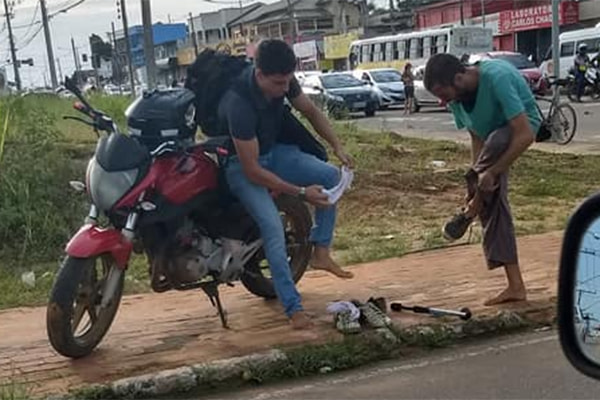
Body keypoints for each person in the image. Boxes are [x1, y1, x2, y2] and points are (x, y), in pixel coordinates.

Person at [218, 39, 354, 330]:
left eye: (288, 82)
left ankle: (320, 252)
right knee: (273, 228)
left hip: (274, 152)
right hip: (242, 167)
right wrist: (303, 193)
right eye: (279, 84)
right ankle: (293, 309)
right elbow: (252, 170)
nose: (285, 90)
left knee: (330, 176)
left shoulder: (284, 80)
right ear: (259, 75)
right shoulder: (238, 103)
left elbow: (312, 112)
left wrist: (338, 147)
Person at [424, 53, 541, 306]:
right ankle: (515, 284)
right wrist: (478, 176)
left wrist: (494, 171)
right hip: (492, 142)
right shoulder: (457, 99)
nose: (444, 101)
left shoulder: (496, 78)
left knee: (496, 152)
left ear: (459, 77)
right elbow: (477, 139)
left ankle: (471, 210)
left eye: (444, 93)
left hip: (521, 127)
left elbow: (525, 134)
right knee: (492, 198)